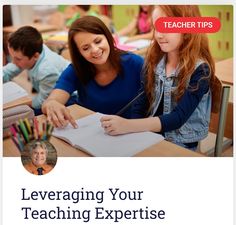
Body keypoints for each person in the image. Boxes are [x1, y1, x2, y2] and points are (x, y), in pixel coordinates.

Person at [101, 5, 215, 151]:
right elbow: (142, 100)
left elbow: (178, 118)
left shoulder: (201, 70)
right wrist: (133, 134)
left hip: (180, 143)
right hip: (150, 136)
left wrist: (128, 125)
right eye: (156, 27)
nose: (159, 35)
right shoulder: (153, 60)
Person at [42, 16, 144, 128]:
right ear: (79, 53)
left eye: (98, 41)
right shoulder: (76, 69)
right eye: (85, 48)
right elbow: (52, 100)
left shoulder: (135, 63)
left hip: (131, 132)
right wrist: (52, 104)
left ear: (107, 36)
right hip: (94, 133)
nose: (95, 50)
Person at [3, 26, 70, 113]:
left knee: (26, 112)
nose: (13, 62)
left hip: (69, 98)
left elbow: (44, 101)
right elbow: (11, 69)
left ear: (35, 56)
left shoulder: (46, 71)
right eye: (12, 57)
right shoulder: (32, 48)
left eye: (18, 59)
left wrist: (21, 104)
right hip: (48, 94)